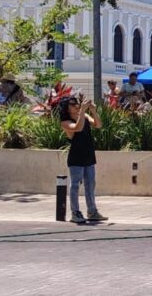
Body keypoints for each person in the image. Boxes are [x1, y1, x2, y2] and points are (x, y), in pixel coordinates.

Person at [59, 96, 108, 225]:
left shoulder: (84, 116)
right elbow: (77, 128)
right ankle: (75, 212)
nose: (76, 105)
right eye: (72, 104)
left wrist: (93, 111)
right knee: (75, 185)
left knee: (90, 184)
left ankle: (92, 211)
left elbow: (98, 125)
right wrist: (82, 111)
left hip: (88, 154)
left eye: (77, 103)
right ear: (66, 108)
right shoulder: (65, 122)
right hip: (76, 156)